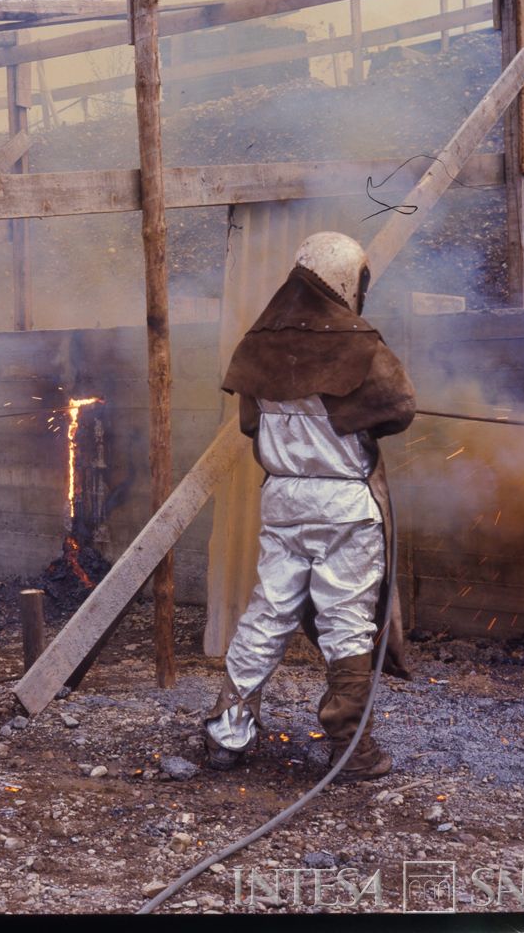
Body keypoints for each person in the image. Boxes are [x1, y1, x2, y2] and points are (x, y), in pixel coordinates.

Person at [203, 232, 416, 779]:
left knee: (268, 612)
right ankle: (351, 750)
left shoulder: (258, 342)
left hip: (283, 498)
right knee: (347, 622)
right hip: (343, 501)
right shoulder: (360, 342)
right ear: (348, 278)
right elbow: (398, 412)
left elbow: (252, 425)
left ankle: (227, 735)